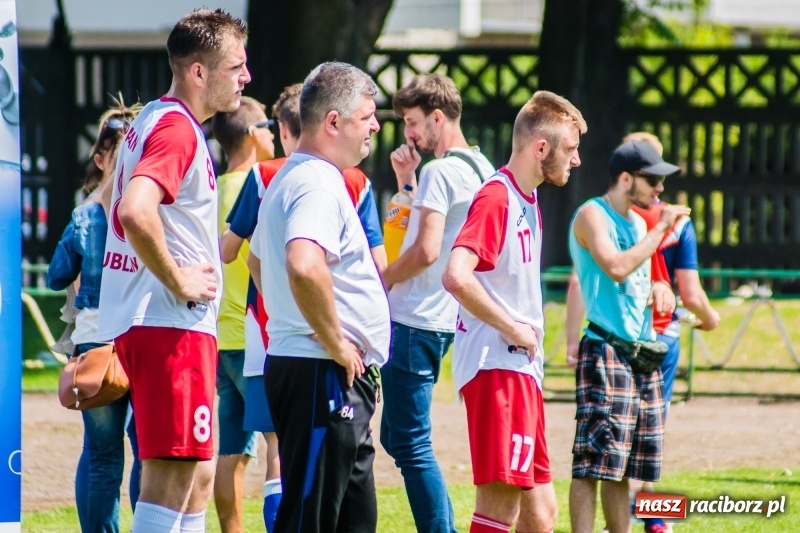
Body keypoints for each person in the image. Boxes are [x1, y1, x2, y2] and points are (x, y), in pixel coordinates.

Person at [95, 9, 250, 532]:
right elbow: (135, 211)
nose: (246, 76)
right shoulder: (178, 129)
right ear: (198, 72)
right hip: (169, 323)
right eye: (236, 66)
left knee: (198, 473)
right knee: (172, 475)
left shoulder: (155, 119)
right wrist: (178, 278)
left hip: (166, 323)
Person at [220, 82, 386, 532]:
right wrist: (333, 338)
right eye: (366, 116)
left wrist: (299, 317)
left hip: (325, 370)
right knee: (309, 519)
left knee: (352, 518)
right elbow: (303, 262)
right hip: (321, 371)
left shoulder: (297, 175)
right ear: (333, 122)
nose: (375, 125)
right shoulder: (315, 183)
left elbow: (256, 260)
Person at [442, 91, 586, 533]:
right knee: (499, 506)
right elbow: (456, 276)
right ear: (541, 148)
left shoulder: (527, 198)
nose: (576, 159)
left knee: (541, 515)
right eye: (570, 148)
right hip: (497, 367)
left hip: (520, 369)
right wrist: (516, 330)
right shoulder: (497, 197)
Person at [565, 134, 719, 533]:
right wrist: (661, 229)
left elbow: (637, 278)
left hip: (640, 354)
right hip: (604, 349)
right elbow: (616, 267)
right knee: (591, 464)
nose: (660, 188)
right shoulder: (592, 215)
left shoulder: (636, 222)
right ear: (626, 178)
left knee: (624, 466)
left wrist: (659, 286)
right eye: (653, 179)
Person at [380, 72, 495, 533]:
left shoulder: (440, 170)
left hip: (413, 318)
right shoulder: (482, 168)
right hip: (448, 317)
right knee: (398, 437)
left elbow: (427, 250)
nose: (408, 133)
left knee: (410, 443)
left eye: (412, 121)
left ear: (437, 117)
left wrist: (382, 279)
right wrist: (406, 181)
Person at [47, 99, 142, 533]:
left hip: (95, 340)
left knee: (102, 455)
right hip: (143, 334)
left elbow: (55, 275)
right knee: (148, 450)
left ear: (101, 159)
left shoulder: (85, 215)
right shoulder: (152, 208)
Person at [210, 96, 274, 533]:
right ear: (253, 133)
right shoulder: (258, 187)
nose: (274, 135)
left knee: (231, 451)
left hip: (219, 337)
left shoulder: (212, 189)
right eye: (268, 126)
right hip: (254, 338)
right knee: (279, 443)